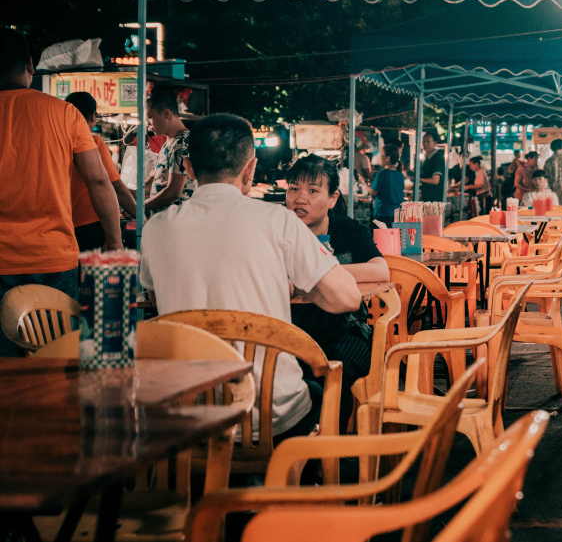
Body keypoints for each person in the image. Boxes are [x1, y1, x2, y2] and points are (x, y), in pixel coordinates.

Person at [139, 114, 361, 441]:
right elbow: (348, 298)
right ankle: (293, 480)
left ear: (187, 166)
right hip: (273, 415)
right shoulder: (277, 221)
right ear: (250, 168)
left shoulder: (156, 231)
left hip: (189, 413)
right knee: (315, 390)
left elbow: (157, 303)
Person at [0, 30, 123, 356]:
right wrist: (114, 239)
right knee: (59, 360)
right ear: (29, 64)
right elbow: (99, 181)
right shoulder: (65, 113)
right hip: (53, 258)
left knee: (6, 370)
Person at [285, 154, 387, 432]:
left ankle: (325, 456)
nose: (300, 199)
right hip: (291, 334)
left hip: (346, 332)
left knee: (334, 378)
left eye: (313, 190)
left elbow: (380, 271)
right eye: (294, 188)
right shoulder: (278, 231)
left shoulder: (348, 230)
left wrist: (321, 273)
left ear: (332, 198)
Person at [64, 92, 137, 250]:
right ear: (93, 116)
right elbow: (115, 187)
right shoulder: (93, 143)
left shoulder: (57, 145)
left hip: (64, 225)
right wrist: (140, 216)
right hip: (94, 225)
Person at [144, 86, 196, 215]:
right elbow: (153, 181)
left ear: (166, 114)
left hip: (176, 220)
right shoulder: (170, 142)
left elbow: (173, 192)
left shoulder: (182, 143)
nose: (149, 126)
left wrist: (139, 208)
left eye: (150, 118)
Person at [366, 144, 406, 223]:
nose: (379, 157)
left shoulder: (382, 174)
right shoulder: (400, 174)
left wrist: (363, 182)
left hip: (383, 213)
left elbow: (372, 192)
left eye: (381, 154)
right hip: (397, 214)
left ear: (387, 158)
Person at [418, 132, 445, 201]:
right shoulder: (427, 158)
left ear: (435, 143)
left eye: (428, 141)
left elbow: (435, 180)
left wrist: (418, 179)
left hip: (434, 200)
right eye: (423, 141)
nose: (425, 144)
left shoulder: (437, 158)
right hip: (427, 198)